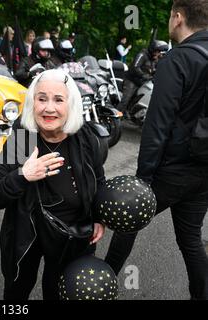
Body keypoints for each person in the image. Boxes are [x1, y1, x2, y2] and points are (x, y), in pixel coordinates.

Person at [105, 0, 208, 300]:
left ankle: (101, 285)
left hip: (172, 169)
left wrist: (143, 177)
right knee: (190, 240)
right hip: (204, 170)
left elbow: (157, 125)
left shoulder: (178, 59)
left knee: (128, 220)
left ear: (178, 17)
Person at [0, 69, 106, 300]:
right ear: (33, 103)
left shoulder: (86, 138)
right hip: (26, 235)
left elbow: (98, 180)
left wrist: (99, 216)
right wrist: (23, 174)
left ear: (71, 104)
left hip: (72, 234)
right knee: (16, 292)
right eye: (42, 99)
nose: (48, 108)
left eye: (58, 100)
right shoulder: (22, 137)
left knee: (59, 292)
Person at [116, 39, 169, 115]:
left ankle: (129, 114)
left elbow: (154, 70)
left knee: (137, 100)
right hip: (132, 80)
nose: (159, 53)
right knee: (126, 100)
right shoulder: (142, 54)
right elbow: (135, 67)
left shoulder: (154, 59)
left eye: (160, 52)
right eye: (158, 51)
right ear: (153, 49)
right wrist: (145, 76)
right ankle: (115, 117)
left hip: (142, 82)